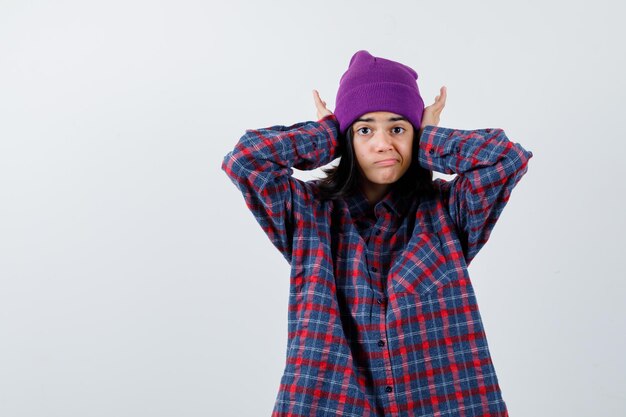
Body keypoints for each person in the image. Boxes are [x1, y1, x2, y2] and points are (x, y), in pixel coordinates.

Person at [221, 50, 533, 417]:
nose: (383, 143)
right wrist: (327, 134)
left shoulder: (451, 212)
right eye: (365, 129)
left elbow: (506, 159)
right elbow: (245, 160)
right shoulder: (307, 214)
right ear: (346, 137)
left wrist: (430, 136)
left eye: (398, 128)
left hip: (443, 403)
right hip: (331, 402)